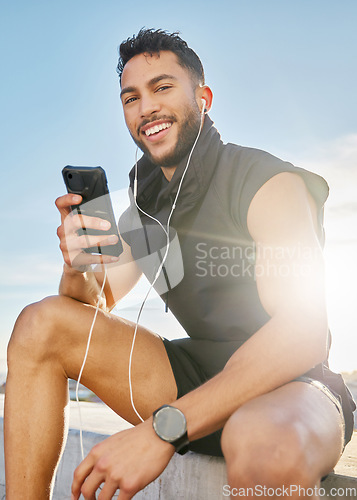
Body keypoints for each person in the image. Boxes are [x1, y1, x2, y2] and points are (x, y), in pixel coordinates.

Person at [4, 28, 355, 500]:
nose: (145, 106)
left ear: (203, 98)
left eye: (162, 87)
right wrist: (77, 263)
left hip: (293, 382)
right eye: (131, 97)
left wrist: (161, 430)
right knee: (40, 323)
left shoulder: (265, 182)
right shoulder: (145, 211)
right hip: (197, 373)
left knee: (260, 444)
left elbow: (302, 332)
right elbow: (91, 305)